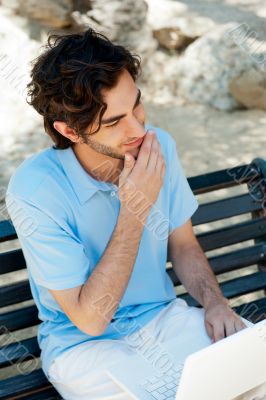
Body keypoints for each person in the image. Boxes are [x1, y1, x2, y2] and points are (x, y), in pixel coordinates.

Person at [5, 28, 253, 399]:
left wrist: (216, 305)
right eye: (114, 121)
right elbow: (90, 319)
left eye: (136, 104)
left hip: (165, 319)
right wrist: (135, 208)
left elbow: (183, 244)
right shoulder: (35, 192)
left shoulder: (158, 146)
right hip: (84, 349)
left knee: (252, 368)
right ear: (68, 130)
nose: (138, 128)